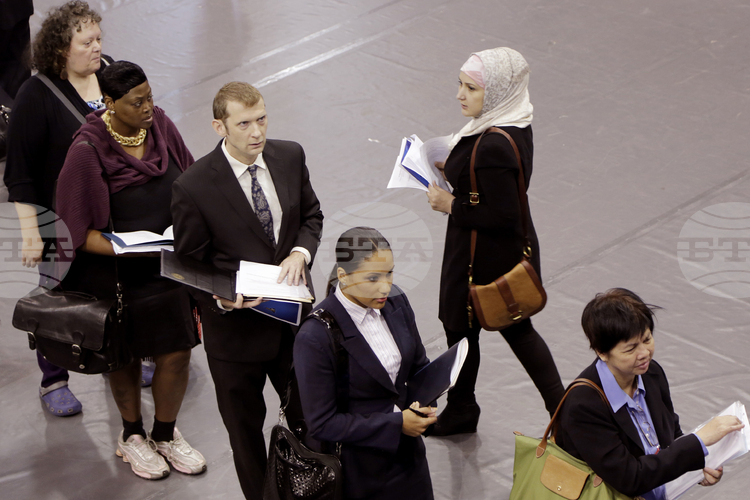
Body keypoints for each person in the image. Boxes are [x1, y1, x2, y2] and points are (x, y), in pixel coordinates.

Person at [171, 81, 324, 499]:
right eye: (244, 124)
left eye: (262, 119)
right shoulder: (193, 186)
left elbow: (311, 215)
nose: (257, 132)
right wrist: (220, 299)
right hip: (235, 337)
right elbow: (189, 264)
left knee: (313, 421)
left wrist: (300, 253)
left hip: (294, 324)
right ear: (219, 127)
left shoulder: (290, 156)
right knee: (246, 436)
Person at [55, 60, 206, 480]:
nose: (147, 107)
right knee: (123, 358)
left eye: (150, 97)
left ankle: (166, 434)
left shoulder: (160, 126)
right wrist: (126, 249)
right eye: (136, 102)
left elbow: (192, 178)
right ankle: (132, 436)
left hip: (169, 267)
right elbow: (72, 230)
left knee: (177, 353)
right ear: (109, 102)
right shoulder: (87, 151)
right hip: (117, 276)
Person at [426, 47, 564, 435]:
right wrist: (457, 171)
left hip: (481, 256)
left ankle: (467, 409)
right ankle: (561, 415)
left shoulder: (493, 145)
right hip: (500, 251)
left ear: (498, 91)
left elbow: (503, 216)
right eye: (460, 84)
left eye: (471, 88)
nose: (460, 94)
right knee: (496, 331)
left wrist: (451, 204)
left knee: (467, 329)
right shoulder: (514, 121)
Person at [3, 0, 116, 417]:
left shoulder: (112, 74)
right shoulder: (36, 95)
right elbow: (20, 175)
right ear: (61, 49)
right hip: (59, 218)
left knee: (122, 289)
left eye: (98, 38)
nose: (96, 47)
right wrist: (32, 232)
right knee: (57, 295)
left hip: (113, 214)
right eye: (86, 42)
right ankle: (53, 378)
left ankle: (120, 355)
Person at [555, 288, 745, 499]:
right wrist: (697, 442)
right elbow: (629, 478)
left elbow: (670, 437)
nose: (644, 353)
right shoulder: (584, 405)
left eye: (647, 339)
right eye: (630, 349)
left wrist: (697, 466)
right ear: (602, 352)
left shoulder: (651, 373)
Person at [294, 227, 436, 500]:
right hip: (358, 474)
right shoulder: (315, 337)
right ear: (343, 276)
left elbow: (419, 366)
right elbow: (322, 424)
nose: (385, 286)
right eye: (373, 278)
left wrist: (426, 404)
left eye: (389, 273)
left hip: (410, 460)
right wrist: (396, 424)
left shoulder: (396, 301)